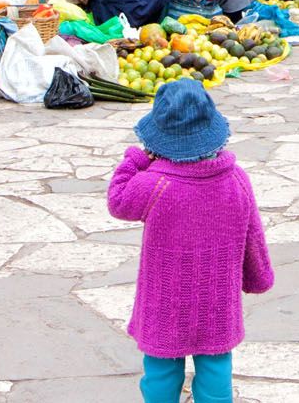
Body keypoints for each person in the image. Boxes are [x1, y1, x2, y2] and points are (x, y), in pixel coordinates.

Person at [108, 79, 273, 403]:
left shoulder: (154, 184)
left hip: (165, 306)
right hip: (217, 304)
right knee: (216, 373)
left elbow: (117, 200)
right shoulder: (237, 180)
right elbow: (252, 234)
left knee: (160, 373)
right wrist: (259, 277)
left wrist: (136, 159)